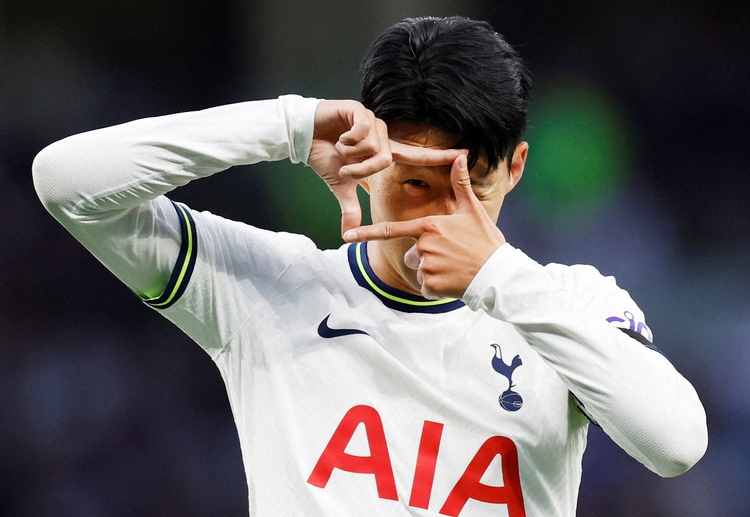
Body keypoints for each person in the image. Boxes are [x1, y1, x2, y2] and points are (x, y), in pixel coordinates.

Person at [33, 15, 706, 517]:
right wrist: (289, 126)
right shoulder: (267, 287)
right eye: (416, 180)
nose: (441, 212)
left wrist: (497, 275)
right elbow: (66, 182)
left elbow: (676, 442)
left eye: (470, 182)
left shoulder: (569, 303)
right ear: (372, 158)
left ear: (517, 166)